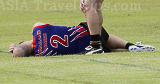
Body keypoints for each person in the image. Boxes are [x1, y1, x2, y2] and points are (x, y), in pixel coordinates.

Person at [9, 22, 156, 57]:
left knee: (109, 49)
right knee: (107, 37)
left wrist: (15, 49)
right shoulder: (38, 28)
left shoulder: (42, 54)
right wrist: (18, 46)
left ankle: (126, 49)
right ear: (23, 42)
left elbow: (19, 53)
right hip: (84, 32)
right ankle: (130, 45)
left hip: (85, 49)